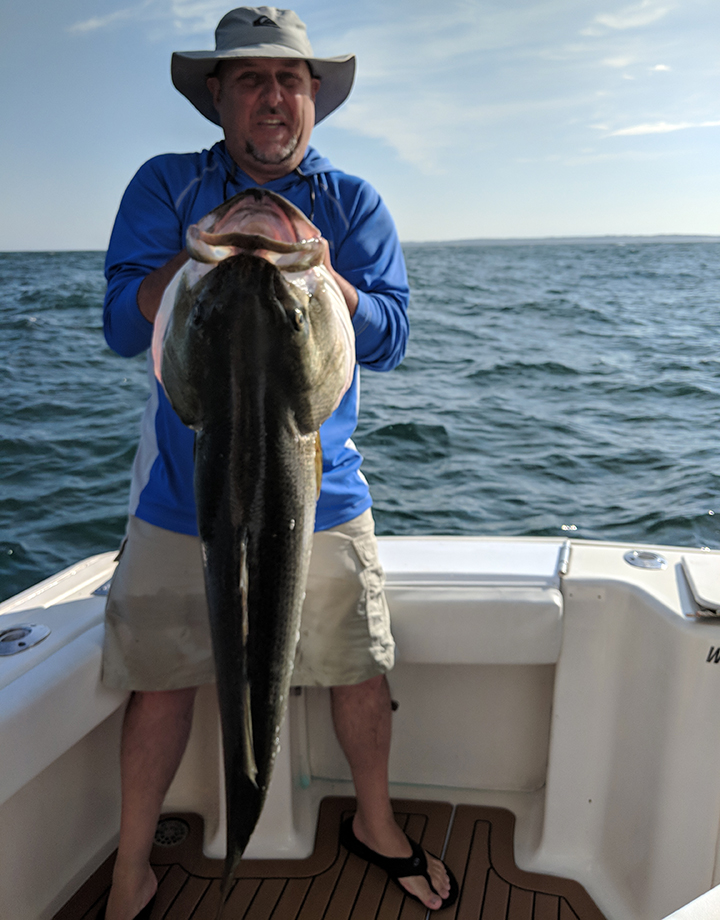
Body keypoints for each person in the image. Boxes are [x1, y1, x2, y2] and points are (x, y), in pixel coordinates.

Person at [101, 7, 457, 919]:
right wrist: (202, 267)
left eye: (289, 80)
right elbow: (117, 321)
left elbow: (391, 337)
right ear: (216, 96)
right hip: (183, 497)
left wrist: (319, 276)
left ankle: (376, 825)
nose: (272, 97)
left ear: (314, 99)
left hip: (322, 491)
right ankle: (129, 864)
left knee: (357, 667)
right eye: (250, 79)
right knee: (163, 680)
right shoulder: (167, 186)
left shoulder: (354, 204)